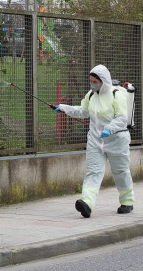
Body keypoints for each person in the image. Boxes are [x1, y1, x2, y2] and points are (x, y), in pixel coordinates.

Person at [52, 64, 134, 217]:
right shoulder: (91, 95)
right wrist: (64, 108)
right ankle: (87, 203)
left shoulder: (117, 95)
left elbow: (122, 117)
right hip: (96, 140)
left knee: (120, 171)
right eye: (91, 81)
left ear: (103, 81)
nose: (92, 84)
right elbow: (83, 111)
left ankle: (127, 201)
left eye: (95, 81)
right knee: (93, 171)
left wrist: (110, 128)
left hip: (117, 140)